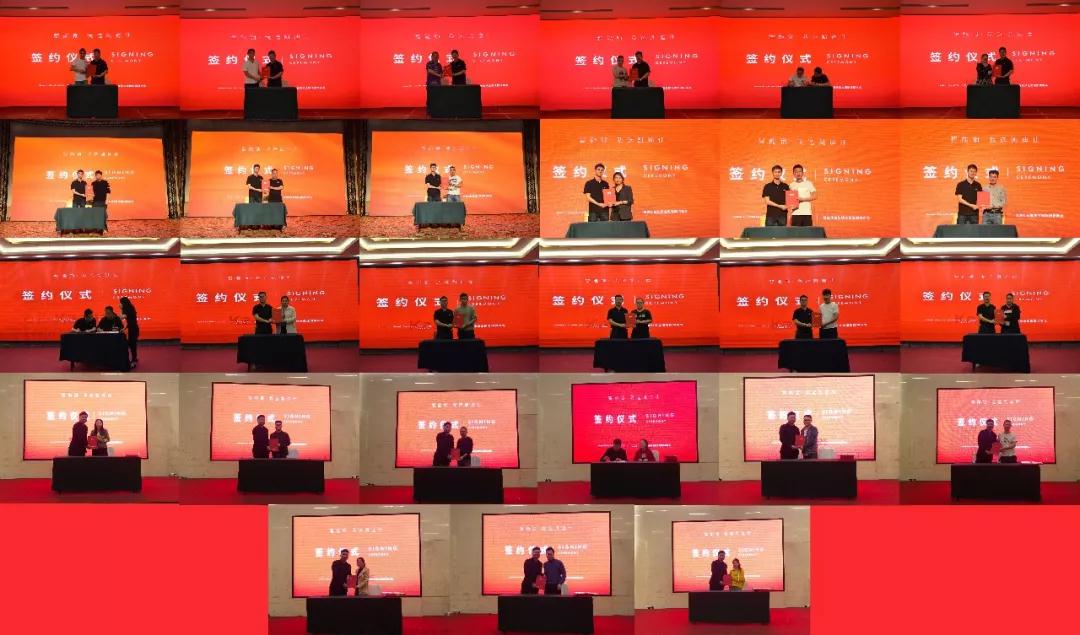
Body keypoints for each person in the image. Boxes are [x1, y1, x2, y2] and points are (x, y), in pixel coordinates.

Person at [119, 296, 139, 368]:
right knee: (132, 344)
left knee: (132, 344)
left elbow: (122, 317)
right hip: (133, 328)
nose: (120, 304)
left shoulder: (128, 308)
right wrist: (124, 328)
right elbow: (130, 321)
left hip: (133, 329)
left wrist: (121, 309)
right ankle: (134, 358)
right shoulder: (130, 307)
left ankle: (133, 359)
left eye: (120, 303)